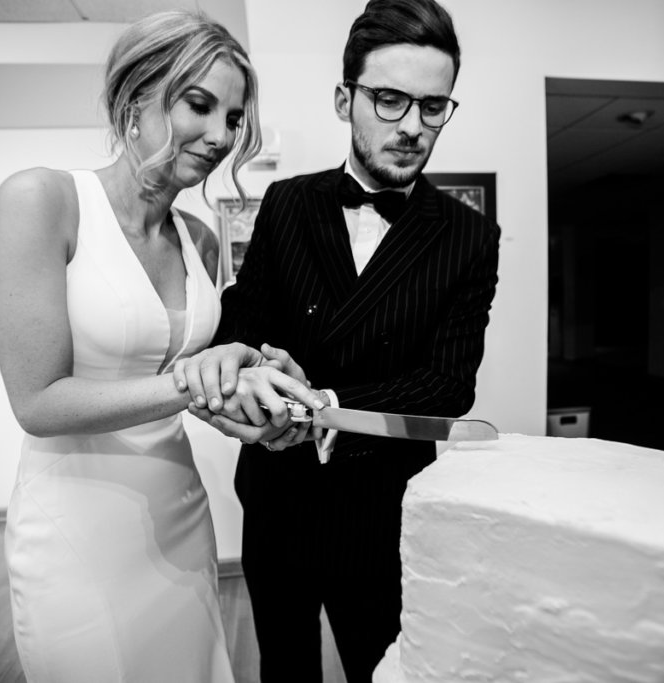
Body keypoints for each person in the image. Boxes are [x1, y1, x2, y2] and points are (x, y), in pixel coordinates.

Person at [0, 11, 320, 682]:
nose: (221, 135)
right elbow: (37, 402)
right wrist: (194, 380)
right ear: (136, 96)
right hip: (77, 528)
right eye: (200, 105)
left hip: (177, 513)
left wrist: (255, 390)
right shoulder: (41, 199)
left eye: (233, 117)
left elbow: (193, 384)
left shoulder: (197, 238)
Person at [174, 1, 501, 680]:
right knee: (285, 665)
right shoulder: (289, 203)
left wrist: (321, 401)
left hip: (381, 510)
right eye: (388, 100)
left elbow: (447, 385)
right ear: (343, 99)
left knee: (380, 668)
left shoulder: (469, 237)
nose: (412, 126)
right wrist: (254, 362)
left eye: (432, 106)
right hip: (277, 496)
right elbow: (244, 320)